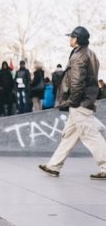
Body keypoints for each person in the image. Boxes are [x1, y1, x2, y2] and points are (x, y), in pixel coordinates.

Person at [39, 26, 106, 180]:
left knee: (91, 136)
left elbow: (76, 83)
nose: (70, 39)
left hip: (80, 103)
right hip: (85, 101)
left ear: (77, 39)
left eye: (72, 37)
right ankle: (53, 166)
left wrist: (72, 102)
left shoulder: (78, 57)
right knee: (68, 136)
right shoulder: (90, 53)